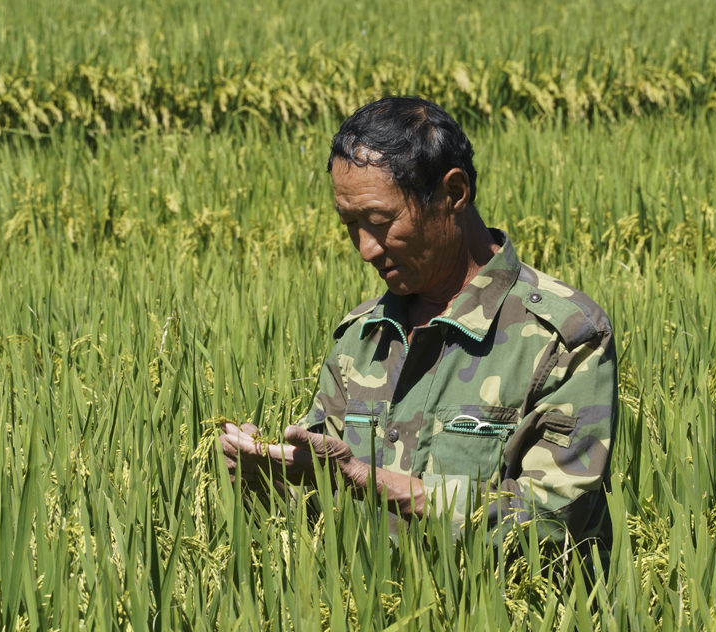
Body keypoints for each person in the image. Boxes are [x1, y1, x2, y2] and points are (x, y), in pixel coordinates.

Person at [220, 96, 617, 560]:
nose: (366, 249)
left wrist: (371, 480)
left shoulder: (564, 335)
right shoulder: (362, 337)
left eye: (380, 221)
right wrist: (262, 480)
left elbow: (553, 521)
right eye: (350, 225)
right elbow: (316, 513)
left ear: (453, 193)